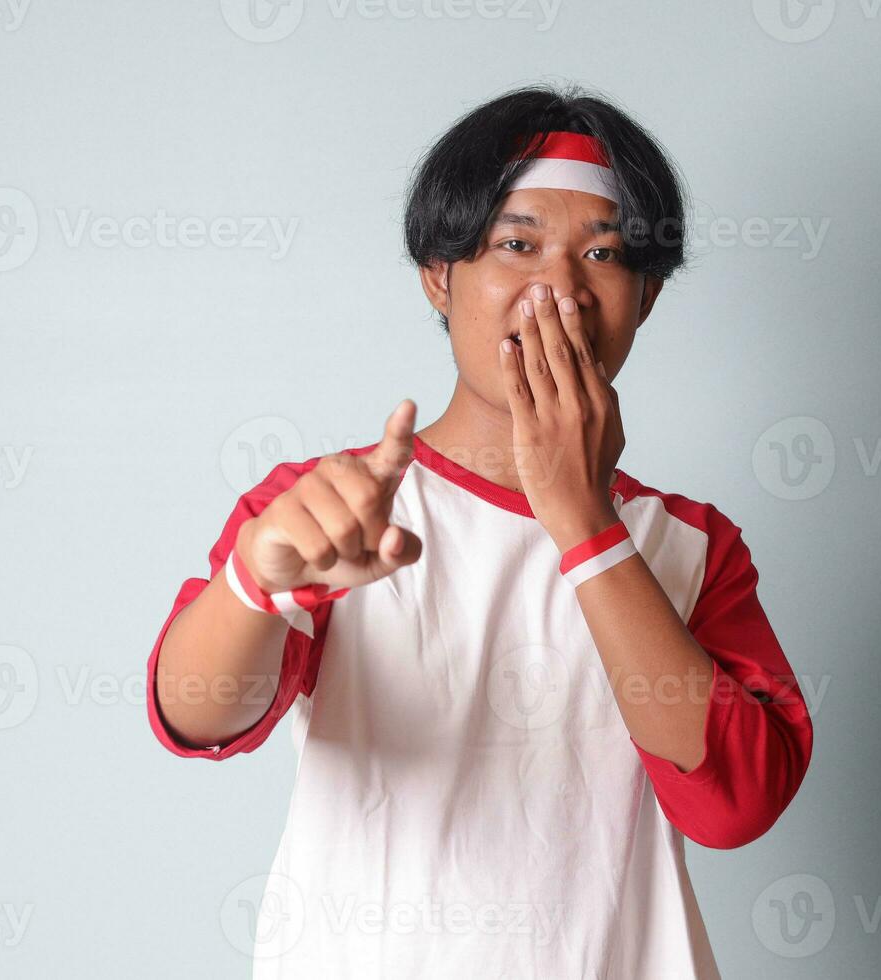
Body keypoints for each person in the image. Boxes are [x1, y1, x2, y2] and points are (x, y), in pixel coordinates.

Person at [145, 82, 813, 979]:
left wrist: (584, 522)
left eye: (605, 254)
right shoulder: (339, 504)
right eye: (517, 243)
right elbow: (195, 717)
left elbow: (736, 805)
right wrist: (256, 584)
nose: (561, 291)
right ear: (439, 274)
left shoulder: (692, 547)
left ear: (645, 298)